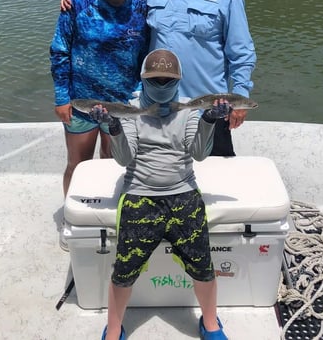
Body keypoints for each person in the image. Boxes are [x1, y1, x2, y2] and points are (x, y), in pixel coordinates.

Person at [62, 0, 256, 157]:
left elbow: (242, 53)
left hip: (207, 108)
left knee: (212, 177)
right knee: (154, 177)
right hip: (156, 108)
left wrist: (240, 98)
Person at [89, 48, 231, 340]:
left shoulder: (191, 109)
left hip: (184, 194)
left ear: (178, 80)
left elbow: (198, 154)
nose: (162, 85)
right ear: (143, 79)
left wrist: (210, 121)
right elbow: (125, 159)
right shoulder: (128, 109)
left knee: (203, 265)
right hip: (140, 195)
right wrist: (113, 126)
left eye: (168, 80)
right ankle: (114, 329)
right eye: (156, 80)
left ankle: (211, 324)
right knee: (124, 271)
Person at [49, 0, 149, 249]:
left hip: (120, 104)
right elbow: (59, 50)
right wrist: (61, 97)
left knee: (111, 162)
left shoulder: (143, 6)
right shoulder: (77, 2)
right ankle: (72, 218)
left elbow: (149, 55)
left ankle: (106, 216)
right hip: (80, 102)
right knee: (77, 164)